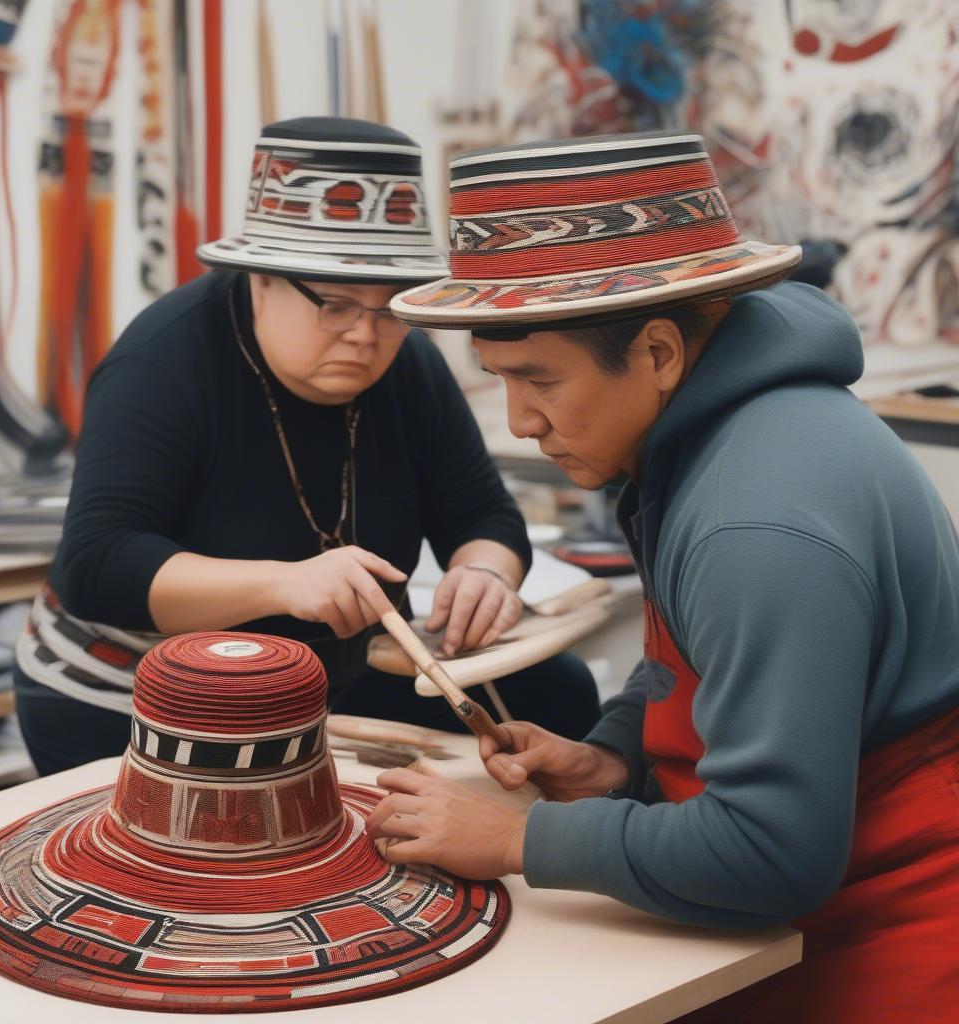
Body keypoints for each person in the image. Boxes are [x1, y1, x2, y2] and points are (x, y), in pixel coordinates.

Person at [368, 130, 959, 1022]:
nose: (521, 421)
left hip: (893, 923)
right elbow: (686, 663)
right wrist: (615, 755)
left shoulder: (755, 518)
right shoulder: (702, 439)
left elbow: (771, 852)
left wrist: (523, 837)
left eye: (538, 380)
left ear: (656, 352)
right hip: (805, 905)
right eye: (498, 380)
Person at [14, 117, 599, 776]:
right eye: (336, 304)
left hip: (325, 678)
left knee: (561, 695)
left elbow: (481, 512)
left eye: (392, 309)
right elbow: (100, 565)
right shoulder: (167, 360)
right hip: (135, 693)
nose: (365, 336)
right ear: (260, 280)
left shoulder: (406, 362)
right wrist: (286, 585)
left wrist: (486, 573)